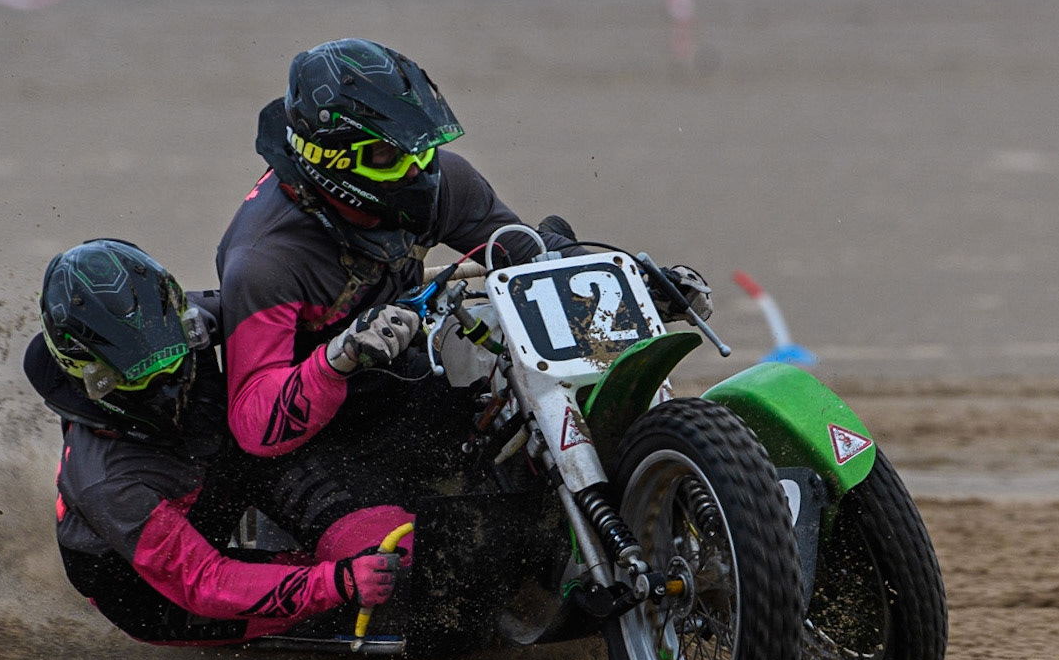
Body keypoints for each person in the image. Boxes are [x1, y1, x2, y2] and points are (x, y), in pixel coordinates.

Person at [215, 38, 711, 493]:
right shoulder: (264, 261)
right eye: (389, 155)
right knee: (405, 545)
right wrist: (338, 358)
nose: (418, 170)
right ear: (331, 159)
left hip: (406, 365)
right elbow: (253, 422)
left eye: (421, 147)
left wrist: (636, 284)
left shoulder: (444, 182)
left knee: (509, 346)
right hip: (327, 429)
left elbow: (528, 255)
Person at [24, 238, 415, 646]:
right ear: (89, 376)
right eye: (142, 377)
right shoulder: (106, 484)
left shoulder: (185, 322)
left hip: (216, 468)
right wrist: (338, 582)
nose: (169, 387)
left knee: (398, 553)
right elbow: (205, 582)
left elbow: (291, 307)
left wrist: (367, 316)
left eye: (172, 359)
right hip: (154, 591)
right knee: (365, 595)